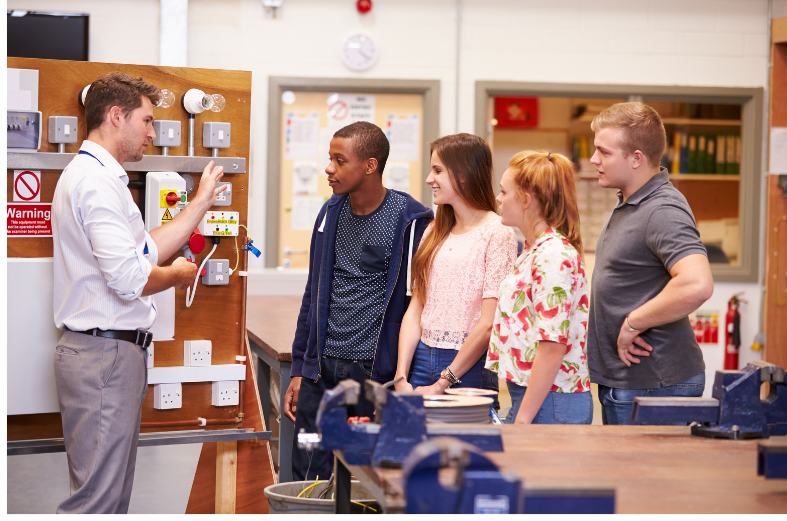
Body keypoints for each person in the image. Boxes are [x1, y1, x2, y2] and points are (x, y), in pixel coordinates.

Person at [51, 72, 227, 513]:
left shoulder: (101, 177)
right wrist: (178, 275)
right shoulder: (95, 183)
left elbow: (144, 249)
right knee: (96, 502)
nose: (153, 132)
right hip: (104, 357)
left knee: (106, 497)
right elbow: (132, 277)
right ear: (115, 116)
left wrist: (200, 203)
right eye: (147, 121)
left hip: (106, 356)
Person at [283, 121, 433, 481]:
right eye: (329, 158)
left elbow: (418, 303)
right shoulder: (330, 213)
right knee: (307, 469)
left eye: (339, 160)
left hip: (370, 373)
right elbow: (312, 294)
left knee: (365, 477)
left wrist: (399, 375)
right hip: (320, 368)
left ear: (369, 166)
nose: (329, 168)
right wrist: (301, 369)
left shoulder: (410, 220)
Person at [586, 102, 714, 425]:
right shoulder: (632, 202)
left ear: (636, 158)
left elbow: (697, 283)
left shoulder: (662, 209)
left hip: (654, 383)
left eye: (603, 152)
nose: (593, 160)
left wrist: (633, 323)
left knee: (640, 478)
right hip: (632, 382)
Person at [394, 134, 517, 396]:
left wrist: (443, 382)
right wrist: (401, 376)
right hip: (421, 359)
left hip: (469, 366)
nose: (429, 179)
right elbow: (416, 310)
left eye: (437, 170)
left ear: (463, 174)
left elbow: (488, 323)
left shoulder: (499, 233)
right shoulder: (433, 232)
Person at [486, 151, 592, 424]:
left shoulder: (553, 255)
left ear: (526, 200)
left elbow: (552, 347)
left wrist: (522, 420)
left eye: (503, 192)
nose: (498, 198)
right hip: (536, 394)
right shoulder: (534, 249)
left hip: (552, 399)